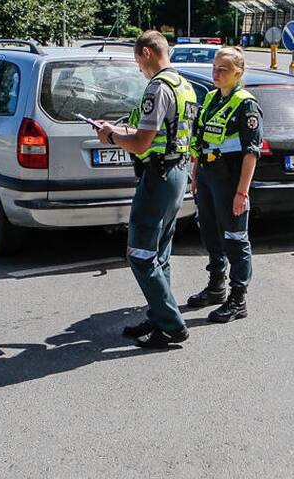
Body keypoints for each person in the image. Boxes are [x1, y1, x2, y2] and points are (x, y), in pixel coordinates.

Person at [94, 30, 198, 349]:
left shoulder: (158, 87)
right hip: (176, 172)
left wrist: (111, 137)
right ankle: (158, 317)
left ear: (147, 53)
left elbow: (141, 142)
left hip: (159, 177)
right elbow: (157, 132)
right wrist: (116, 129)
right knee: (159, 253)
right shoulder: (185, 87)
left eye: (138, 61)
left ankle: (171, 323)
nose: (139, 68)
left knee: (139, 253)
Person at [186, 46, 262, 323]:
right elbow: (202, 139)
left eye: (223, 69)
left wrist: (242, 192)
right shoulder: (210, 98)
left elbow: (251, 152)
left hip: (230, 181)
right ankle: (216, 285)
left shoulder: (246, 104)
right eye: (214, 67)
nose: (216, 73)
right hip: (207, 176)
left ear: (238, 73)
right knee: (210, 231)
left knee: (235, 238)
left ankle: (238, 298)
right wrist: (196, 173)